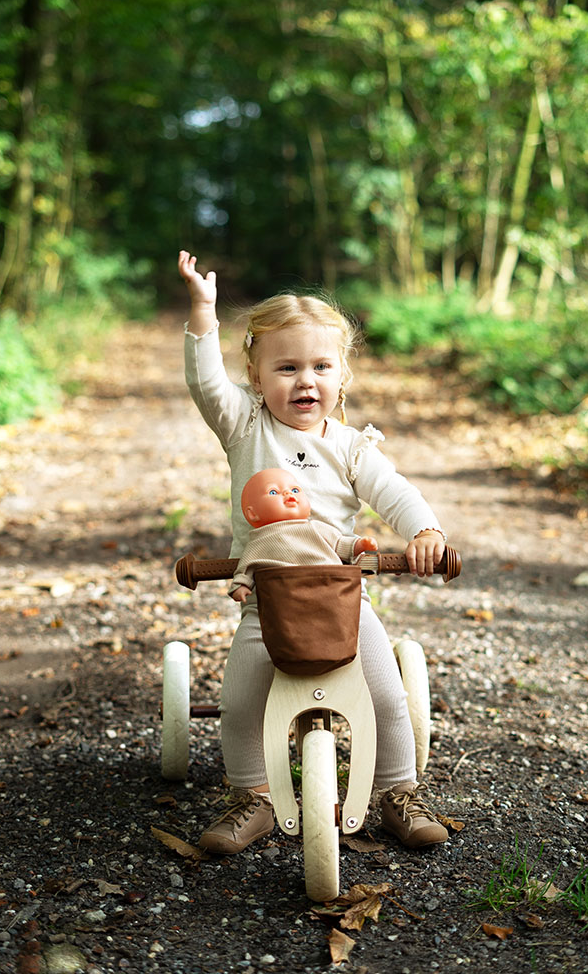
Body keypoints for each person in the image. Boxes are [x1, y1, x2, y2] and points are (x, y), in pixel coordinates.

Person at [178, 250, 451, 854]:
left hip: (340, 595)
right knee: (243, 699)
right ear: (256, 378)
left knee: (385, 694)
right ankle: (254, 797)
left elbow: (395, 493)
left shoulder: (353, 447)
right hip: (267, 598)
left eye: (321, 366)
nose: (305, 380)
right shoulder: (247, 428)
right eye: (287, 368)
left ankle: (397, 792)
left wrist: (424, 531)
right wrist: (203, 312)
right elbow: (203, 382)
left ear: (342, 376)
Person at [229, 466, 378, 603]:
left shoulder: (315, 528)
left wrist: (358, 545)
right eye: (273, 492)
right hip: (285, 598)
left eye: (295, 490)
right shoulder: (260, 541)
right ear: (253, 514)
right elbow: (246, 567)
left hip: (328, 587)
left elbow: (339, 544)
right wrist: (241, 585)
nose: (288, 493)